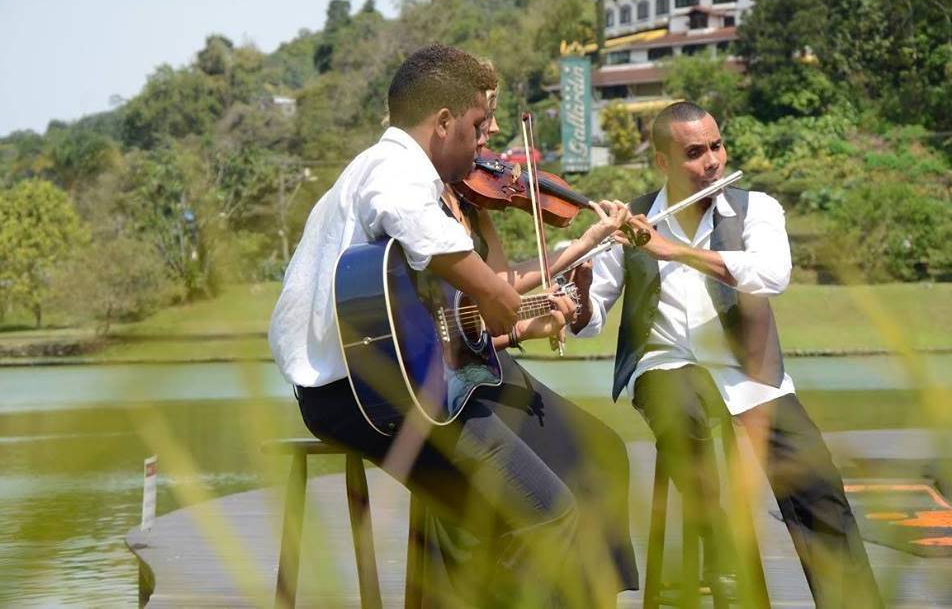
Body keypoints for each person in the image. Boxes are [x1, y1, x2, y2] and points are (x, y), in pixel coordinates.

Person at [269, 44, 632, 607]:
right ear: (443, 123)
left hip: (396, 385)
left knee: (568, 479)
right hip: (366, 397)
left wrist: (509, 295)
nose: (484, 139)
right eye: (477, 125)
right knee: (546, 515)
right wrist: (492, 294)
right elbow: (420, 229)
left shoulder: (396, 175)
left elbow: (444, 292)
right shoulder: (393, 169)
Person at [570, 101, 883, 607]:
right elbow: (588, 323)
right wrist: (580, 290)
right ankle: (723, 560)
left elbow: (771, 275)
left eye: (716, 146)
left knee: (818, 485)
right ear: (663, 163)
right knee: (685, 413)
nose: (713, 160)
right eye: (695, 153)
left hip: (752, 375)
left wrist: (673, 251)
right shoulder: (629, 223)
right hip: (665, 364)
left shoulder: (757, 209)